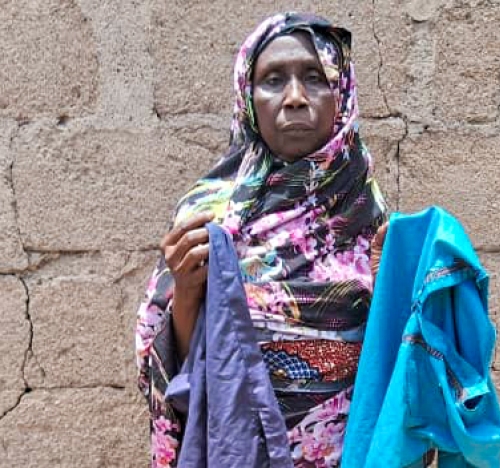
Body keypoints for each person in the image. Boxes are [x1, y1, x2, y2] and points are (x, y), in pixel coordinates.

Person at [136, 12, 388, 467]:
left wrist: (400, 292)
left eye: (315, 78)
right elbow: (180, 371)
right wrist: (188, 291)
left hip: (350, 452)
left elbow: (396, 363)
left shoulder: (368, 218)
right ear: (248, 98)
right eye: (273, 80)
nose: (294, 98)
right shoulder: (207, 215)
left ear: (342, 95)